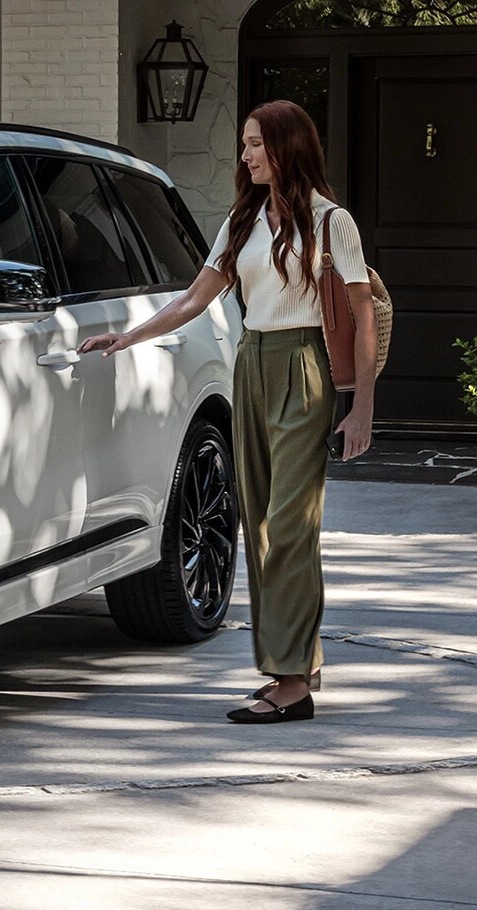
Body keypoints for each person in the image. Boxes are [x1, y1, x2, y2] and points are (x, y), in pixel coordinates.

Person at [77, 100, 376, 724]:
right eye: (243, 144)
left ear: (286, 147)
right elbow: (196, 297)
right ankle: (298, 659)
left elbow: (363, 314)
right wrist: (127, 338)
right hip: (252, 363)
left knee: (292, 526)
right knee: (262, 526)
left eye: (253, 144)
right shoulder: (242, 221)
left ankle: (291, 683)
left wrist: (362, 407)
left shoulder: (330, 222)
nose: (244, 156)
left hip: (306, 367)